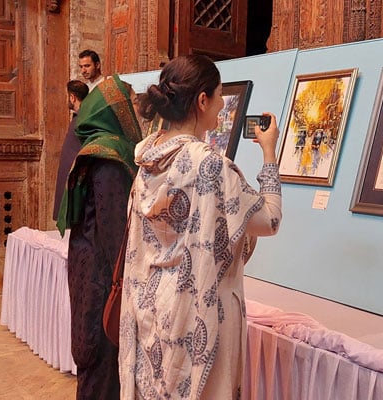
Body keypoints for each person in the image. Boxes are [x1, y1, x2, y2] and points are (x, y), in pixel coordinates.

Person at [118, 54, 282, 399]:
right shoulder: (209, 166)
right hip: (198, 311)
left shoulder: (146, 161)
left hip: (152, 306)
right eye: (219, 96)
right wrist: (269, 154)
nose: (223, 105)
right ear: (202, 100)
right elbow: (269, 220)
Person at [56, 75, 143, 400]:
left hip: (88, 266)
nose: (136, 112)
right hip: (102, 276)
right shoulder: (110, 157)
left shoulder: (95, 148)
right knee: (101, 361)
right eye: (131, 105)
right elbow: (114, 233)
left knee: (93, 355)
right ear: (115, 110)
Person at [53, 80, 89, 221]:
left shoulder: (83, 119)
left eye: (66, 96)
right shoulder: (80, 117)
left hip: (76, 181)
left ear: (72, 97)